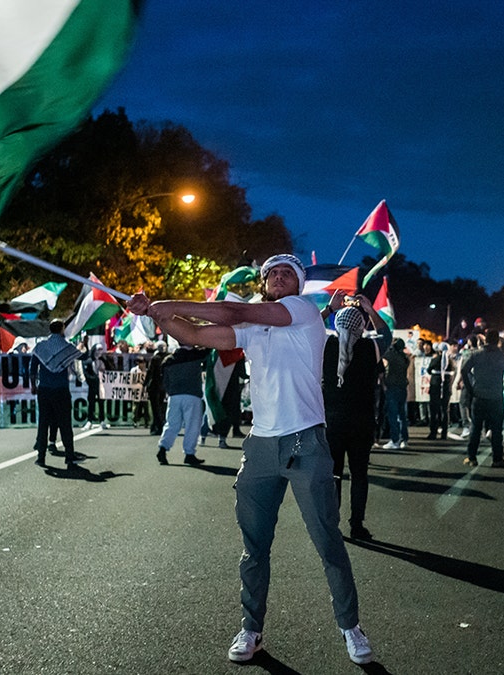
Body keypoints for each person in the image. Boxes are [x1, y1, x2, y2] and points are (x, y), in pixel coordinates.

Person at [127, 253, 373, 666]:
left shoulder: (303, 311)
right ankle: (251, 628)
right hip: (260, 446)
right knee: (254, 547)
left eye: (287, 273)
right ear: (265, 283)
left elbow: (230, 309)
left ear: (297, 285)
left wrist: (170, 303)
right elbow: (194, 335)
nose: (278, 276)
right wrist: (154, 311)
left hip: (304, 441)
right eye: (272, 273)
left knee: (328, 540)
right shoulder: (252, 329)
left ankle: (351, 626)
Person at [322, 295, 390, 540]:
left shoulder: (325, 346)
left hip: (332, 421)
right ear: (362, 328)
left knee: (333, 474)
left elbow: (307, 330)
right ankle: (357, 524)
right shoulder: (369, 348)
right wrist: (370, 309)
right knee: (360, 474)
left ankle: (331, 523)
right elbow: (387, 335)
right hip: (362, 422)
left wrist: (329, 308)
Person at [460, 329, 504, 467]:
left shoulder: (476, 354)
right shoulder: (502, 356)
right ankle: (497, 459)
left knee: (476, 428)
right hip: (496, 397)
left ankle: (471, 457)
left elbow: (464, 370)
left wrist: (471, 389)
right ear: (497, 341)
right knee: (497, 430)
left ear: (485, 340)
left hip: (479, 396)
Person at [30, 320, 87, 467]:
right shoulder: (66, 347)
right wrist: (84, 346)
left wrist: (33, 385)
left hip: (44, 390)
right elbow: (82, 357)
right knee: (65, 424)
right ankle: (69, 456)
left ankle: (41, 457)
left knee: (43, 423)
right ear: (61, 329)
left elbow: (32, 368)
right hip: (61, 390)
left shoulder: (41, 346)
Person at [156, 343, 210, 466]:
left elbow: (164, 379)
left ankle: (163, 448)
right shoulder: (196, 355)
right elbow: (209, 349)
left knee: (172, 424)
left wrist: (170, 391)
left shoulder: (169, 359)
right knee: (192, 425)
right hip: (192, 394)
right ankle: (189, 453)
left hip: (174, 396)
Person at [380, 337, 410, 449]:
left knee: (393, 415)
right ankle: (404, 439)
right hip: (402, 387)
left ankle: (395, 440)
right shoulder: (404, 357)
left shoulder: (390, 355)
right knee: (402, 415)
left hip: (392, 387)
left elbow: (382, 357)